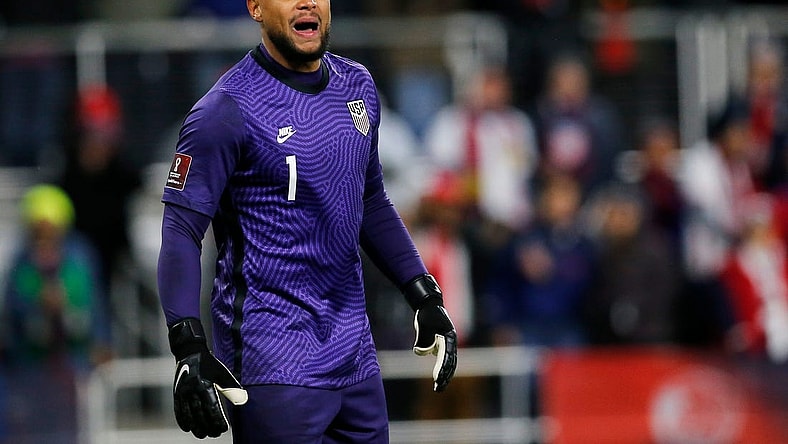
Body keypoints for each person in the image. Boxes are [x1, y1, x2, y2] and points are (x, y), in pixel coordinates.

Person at [156, 0, 458, 442]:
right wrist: (186, 344)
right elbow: (181, 230)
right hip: (273, 358)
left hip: (355, 357)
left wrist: (423, 292)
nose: (308, 1)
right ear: (255, 7)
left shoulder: (358, 86)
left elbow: (370, 199)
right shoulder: (224, 110)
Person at [1, 184, 112, 443]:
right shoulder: (21, 263)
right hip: (30, 366)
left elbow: (95, 304)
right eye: (38, 231)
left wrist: (101, 341)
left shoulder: (80, 257)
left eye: (50, 230)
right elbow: (12, 310)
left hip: (73, 363)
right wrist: (36, 305)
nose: (45, 237)